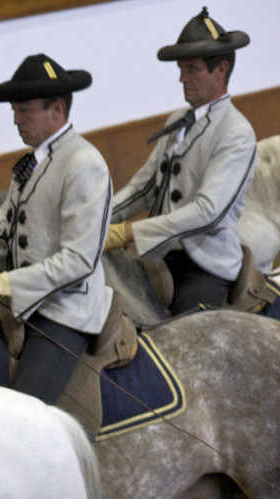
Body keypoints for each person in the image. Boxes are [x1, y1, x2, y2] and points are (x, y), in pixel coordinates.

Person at [0, 54, 110, 406]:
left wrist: (2, 283)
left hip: (65, 310)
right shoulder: (29, 165)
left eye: (24, 110)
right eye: (14, 110)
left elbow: (79, 260)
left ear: (56, 109)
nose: (15, 120)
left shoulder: (84, 163)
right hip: (26, 302)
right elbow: (0, 233)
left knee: (25, 408)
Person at [106, 7, 256, 315]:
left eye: (191, 69)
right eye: (180, 68)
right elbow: (143, 189)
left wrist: (131, 232)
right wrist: (97, 218)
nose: (181, 78)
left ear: (221, 69)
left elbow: (208, 212)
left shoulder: (237, 132)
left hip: (204, 266)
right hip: (160, 256)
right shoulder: (177, 120)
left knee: (191, 340)